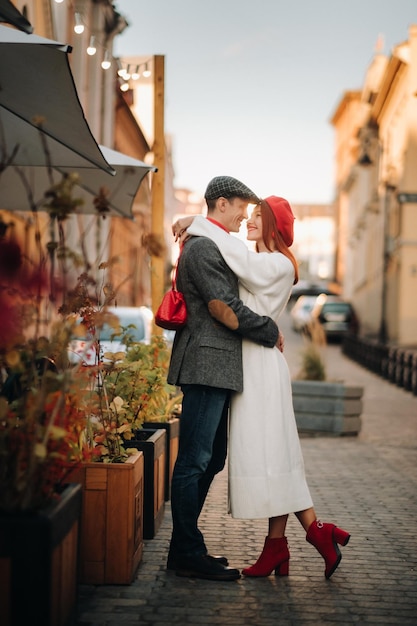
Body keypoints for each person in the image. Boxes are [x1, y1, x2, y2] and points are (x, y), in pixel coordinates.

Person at [178, 196, 351, 580]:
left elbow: (234, 255)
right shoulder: (264, 263)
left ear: (275, 227)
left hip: (259, 368)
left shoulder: (273, 264)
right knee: (276, 455)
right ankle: (287, 542)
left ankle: (308, 534)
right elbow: (233, 256)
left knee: (274, 455)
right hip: (250, 363)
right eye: (251, 215)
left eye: (259, 217)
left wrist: (197, 221)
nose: (250, 221)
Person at [166, 176, 283, 582]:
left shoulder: (209, 242)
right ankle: (185, 551)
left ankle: (185, 546)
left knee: (210, 458)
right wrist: (270, 330)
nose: (242, 217)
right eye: (239, 207)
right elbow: (222, 307)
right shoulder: (203, 248)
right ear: (220, 204)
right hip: (205, 364)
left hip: (216, 366)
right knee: (194, 461)